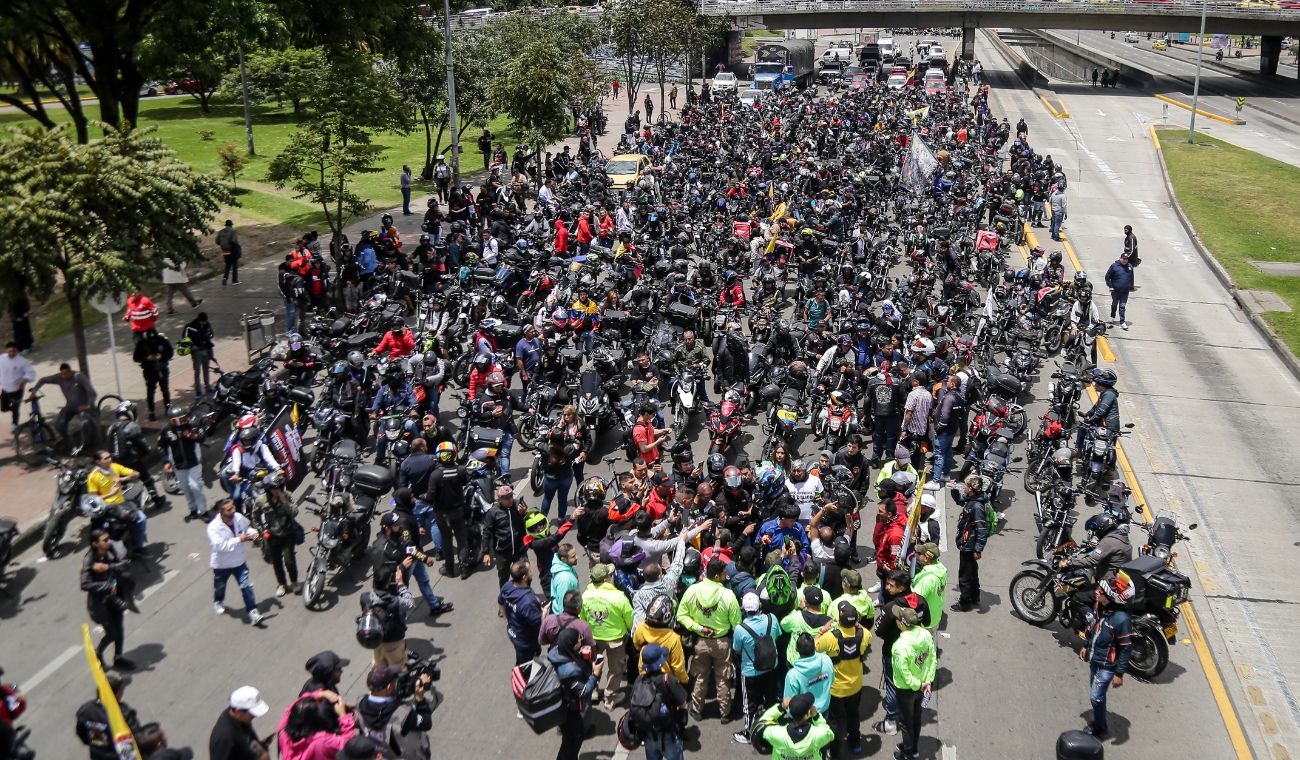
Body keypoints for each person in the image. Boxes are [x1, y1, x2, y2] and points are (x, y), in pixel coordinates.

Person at [676, 557, 741, 721]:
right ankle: (725, 712)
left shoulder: (692, 591)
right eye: (725, 573)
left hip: (700, 642)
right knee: (723, 679)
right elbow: (737, 624)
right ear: (717, 576)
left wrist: (699, 628)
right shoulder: (728, 595)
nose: (727, 575)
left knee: (700, 677)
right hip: (722, 643)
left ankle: (697, 709)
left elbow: (681, 615)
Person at [1082, 576, 1134, 741]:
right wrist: (1085, 645)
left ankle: (1100, 729)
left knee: (1095, 697)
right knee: (1098, 696)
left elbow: (1126, 648)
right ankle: (1100, 722)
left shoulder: (1121, 620)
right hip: (1094, 660)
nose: (1097, 592)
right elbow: (1093, 627)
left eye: (1101, 591)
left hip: (1107, 666)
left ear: (1110, 597)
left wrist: (1119, 674)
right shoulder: (1100, 606)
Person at [816, 601, 871, 757]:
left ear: (839, 620)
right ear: (856, 620)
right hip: (856, 686)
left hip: (837, 689)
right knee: (853, 715)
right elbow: (869, 636)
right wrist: (858, 626)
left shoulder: (831, 637)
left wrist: (822, 631)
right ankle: (855, 744)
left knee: (835, 721)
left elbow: (813, 647)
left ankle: (835, 751)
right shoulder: (864, 634)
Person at [81, 529, 138, 671]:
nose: (109, 541)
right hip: (100, 605)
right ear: (95, 544)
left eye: (108, 538)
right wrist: (105, 586)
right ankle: (98, 654)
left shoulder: (110, 550)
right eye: (104, 540)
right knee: (112, 633)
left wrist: (108, 567)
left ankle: (118, 658)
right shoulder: (89, 560)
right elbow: (85, 584)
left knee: (120, 628)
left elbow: (122, 564)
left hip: (114, 597)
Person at [580, 563, 634, 704]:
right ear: (605, 579)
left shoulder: (585, 596)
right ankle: (610, 698)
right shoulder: (618, 596)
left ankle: (593, 690)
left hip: (593, 638)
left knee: (593, 664)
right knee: (616, 669)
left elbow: (582, 618)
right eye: (610, 575)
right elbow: (630, 619)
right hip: (615, 639)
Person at [355, 665, 435, 760]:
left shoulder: (360, 702)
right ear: (389, 688)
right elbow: (426, 723)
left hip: (382, 753)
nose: (397, 683)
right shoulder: (401, 715)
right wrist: (420, 697)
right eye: (395, 681)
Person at [732, 591, 782, 743]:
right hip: (772, 667)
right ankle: (773, 727)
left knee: (750, 704)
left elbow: (737, 650)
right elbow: (777, 635)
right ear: (759, 605)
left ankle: (748, 733)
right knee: (771, 700)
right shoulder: (771, 618)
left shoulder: (740, 629)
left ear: (744, 609)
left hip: (750, 672)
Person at [206, 498, 265, 625]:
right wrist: (240, 539)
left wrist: (253, 533)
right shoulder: (213, 527)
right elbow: (219, 546)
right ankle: (218, 601)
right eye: (229, 509)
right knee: (220, 586)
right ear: (221, 512)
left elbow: (247, 527)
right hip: (222, 565)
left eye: (233, 507)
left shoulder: (238, 517)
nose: (233, 510)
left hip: (239, 562)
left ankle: (252, 611)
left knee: (246, 586)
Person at [891, 604, 936, 760]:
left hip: (906, 690)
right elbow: (932, 659)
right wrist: (927, 681)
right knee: (917, 718)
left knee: (905, 723)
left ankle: (908, 753)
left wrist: (917, 684)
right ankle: (913, 747)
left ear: (902, 624)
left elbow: (904, 673)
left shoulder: (899, 646)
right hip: (923, 686)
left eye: (898, 619)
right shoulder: (926, 634)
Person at [630, 644, 689, 760]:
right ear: (661, 662)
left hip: (648, 734)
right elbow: (683, 702)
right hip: (668, 734)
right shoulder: (667, 680)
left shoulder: (639, 680)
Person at [550, 626, 601, 760]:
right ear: (571, 645)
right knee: (573, 741)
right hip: (569, 711)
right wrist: (595, 674)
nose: (582, 640)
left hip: (560, 706)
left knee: (567, 742)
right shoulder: (569, 672)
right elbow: (583, 691)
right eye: (579, 639)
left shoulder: (556, 652)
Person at [85, 450, 149, 554]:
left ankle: (139, 546)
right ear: (98, 462)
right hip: (105, 508)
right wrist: (110, 494)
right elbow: (92, 500)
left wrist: (124, 479)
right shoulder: (93, 477)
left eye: (109, 457)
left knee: (141, 519)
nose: (109, 459)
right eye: (106, 458)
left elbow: (136, 474)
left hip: (122, 504)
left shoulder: (115, 466)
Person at [76, 672, 142, 760]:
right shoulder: (123, 713)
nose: (123, 691)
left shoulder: (85, 710)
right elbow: (138, 738)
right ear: (116, 693)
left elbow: (83, 735)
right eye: (122, 689)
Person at [275, 689, 353, 760]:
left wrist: (321, 694)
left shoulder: (283, 731)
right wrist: (343, 716)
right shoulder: (321, 742)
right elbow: (348, 743)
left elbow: (292, 707)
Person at [29, 362, 96, 443]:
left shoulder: (79, 377)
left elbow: (92, 393)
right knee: (59, 425)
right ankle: (70, 441)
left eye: (66, 374)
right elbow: (43, 380)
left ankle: (86, 442)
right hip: (70, 406)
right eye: (62, 374)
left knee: (84, 423)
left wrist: (87, 405)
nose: (64, 376)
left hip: (82, 407)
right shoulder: (59, 378)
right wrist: (34, 392)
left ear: (70, 371)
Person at [951, 475, 989, 612]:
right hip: (967, 543)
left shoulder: (977, 507)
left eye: (966, 485)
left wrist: (978, 549)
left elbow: (982, 530)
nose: (964, 487)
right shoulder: (972, 499)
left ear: (971, 489)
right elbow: (960, 500)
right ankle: (974, 596)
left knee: (965, 575)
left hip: (969, 545)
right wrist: (954, 489)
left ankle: (964, 602)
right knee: (972, 571)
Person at [757, 693, 834, 760]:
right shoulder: (817, 734)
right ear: (808, 714)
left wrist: (781, 708)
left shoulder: (776, 733)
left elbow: (761, 723)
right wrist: (816, 716)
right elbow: (829, 733)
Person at [481, 485, 529, 588]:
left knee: (525, 575)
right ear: (499, 500)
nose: (510, 499)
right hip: (502, 552)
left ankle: (524, 595)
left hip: (519, 549)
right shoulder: (493, 513)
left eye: (511, 496)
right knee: (504, 578)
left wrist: (522, 513)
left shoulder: (519, 505)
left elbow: (528, 520)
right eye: (507, 498)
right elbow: (486, 533)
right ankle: (505, 598)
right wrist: (485, 553)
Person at [209, 686, 271, 760]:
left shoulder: (240, 719)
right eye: (252, 714)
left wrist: (260, 746)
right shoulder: (224, 739)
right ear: (238, 712)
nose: (254, 716)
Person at [500, 559, 544, 664]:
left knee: (522, 658)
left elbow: (500, 602)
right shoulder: (528, 601)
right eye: (530, 571)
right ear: (524, 577)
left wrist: (507, 621)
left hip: (514, 634)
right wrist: (544, 612)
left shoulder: (508, 586)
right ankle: (520, 678)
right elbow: (539, 625)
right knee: (525, 664)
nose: (531, 572)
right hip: (526, 643)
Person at [783, 632, 835, 716]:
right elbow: (832, 681)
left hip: (803, 717)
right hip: (824, 710)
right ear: (814, 647)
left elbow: (789, 703)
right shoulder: (826, 660)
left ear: (796, 649)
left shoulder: (793, 675)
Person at [132, 328, 173, 420]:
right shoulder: (142, 344)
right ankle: (152, 411)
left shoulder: (162, 340)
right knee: (150, 392)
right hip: (149, 370)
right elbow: (136, 358)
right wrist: (146, 358)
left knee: (165, 389)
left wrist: (161, 356)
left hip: (162, 368)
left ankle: (168, 407)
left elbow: (170, 352)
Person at [911, 543, 947, 633]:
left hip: (925, 621)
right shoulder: (940, 569)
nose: (917, 555)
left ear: (927, 558)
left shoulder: (927, 580)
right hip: (934, 614)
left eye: (919, 554)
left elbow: (914, 600)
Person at [0, 341, 36, 433]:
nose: (12, 353)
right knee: (3, 409)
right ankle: (12, 409)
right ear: (6, 350)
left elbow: (31, 373)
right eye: (10, 351)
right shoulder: (2, 359)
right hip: (5, 389)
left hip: (17, 390)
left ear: (17, 351)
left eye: (14, 351)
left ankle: (14, 424)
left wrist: (25, 380)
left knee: (16, 408)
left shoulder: (22, 361)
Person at [182, 312, 216, 398]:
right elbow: (184, 338)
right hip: (196, 352)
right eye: (203, 321)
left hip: (206, 350)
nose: (204, 323)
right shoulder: (190, 326)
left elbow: (211, 334)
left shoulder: (207, 325)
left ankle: (208, 387)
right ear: (199, 320)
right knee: (197, 371)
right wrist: (192, 346)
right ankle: (198, 391)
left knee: (206, 369)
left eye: (205, 321)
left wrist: (208, 334)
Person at [1105, 251, 1135, 330]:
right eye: (1124, 259)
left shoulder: (1130, 267)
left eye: (1126, 259)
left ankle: (1122, 322)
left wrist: (1131, 286)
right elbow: (1107, 277)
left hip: (1125, 291)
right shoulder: (1114, 266)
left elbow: (1131, 277)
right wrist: (1110, 286)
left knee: (1122, 306)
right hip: (1115, 291)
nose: (1125, 260)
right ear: (1120, 258)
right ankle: (1112, 317)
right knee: (1115, 304)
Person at [216, 220, 242, 286]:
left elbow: (217, 241)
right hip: (232, 250)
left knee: (228, 265)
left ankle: (225, 278)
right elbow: (234, 241)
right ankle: (235, 280)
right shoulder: (233, 231)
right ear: (231, 225)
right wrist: (238, 246)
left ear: (226, 225)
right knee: (234, 265)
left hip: (225, 250)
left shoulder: (220, 232)